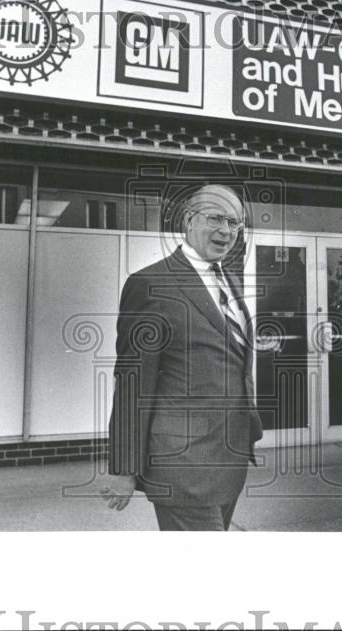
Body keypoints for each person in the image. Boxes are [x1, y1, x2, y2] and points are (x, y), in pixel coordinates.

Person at [101, 183, 263, 531]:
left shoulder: (229, 281)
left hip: (228, 462)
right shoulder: (150, 285)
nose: (226, 231)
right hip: (183, 466)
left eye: (234, 223)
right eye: (216, 219)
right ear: (189, 221)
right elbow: (132, 383)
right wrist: (124, 468)